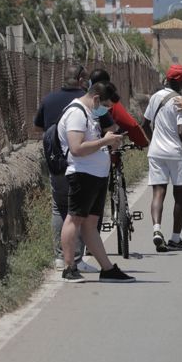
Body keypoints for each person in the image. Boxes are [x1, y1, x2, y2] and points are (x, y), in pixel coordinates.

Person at [58, 81, 136, 283]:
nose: (106, 110)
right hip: (83, 174)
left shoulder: (89, 112)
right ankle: (69, 267)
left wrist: (106, 141)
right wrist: (105, 141)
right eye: (106, 105)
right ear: (95, 99)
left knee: (90, 225)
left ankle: (107, 269)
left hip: (96, 175)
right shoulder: (77, 113)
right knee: (74, 219)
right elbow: (76, 148)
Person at [34, 63, 101, 273]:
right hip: (79, 164)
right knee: (79, 212)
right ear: (82, 80)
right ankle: (77, 259)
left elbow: (38, 126)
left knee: (59, 208)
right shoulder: (86, 101)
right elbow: (108, 124)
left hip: (56, 163)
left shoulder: (49, 99)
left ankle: (59, 257)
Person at [142, 64, 182, 252]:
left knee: (158, 192)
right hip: (176, 154)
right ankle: (175, 238)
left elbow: (144, 124)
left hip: (156, 152)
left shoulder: (154, 98)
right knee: (180, 195)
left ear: (167, 80)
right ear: (180, 81)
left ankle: (156, 229)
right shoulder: (181, 101)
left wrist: (154, 142)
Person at [88, 68, 149, 148]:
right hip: (105, 149)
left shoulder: (80, 99)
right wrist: (143, 144)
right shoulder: (108, 102)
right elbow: (131, 125)